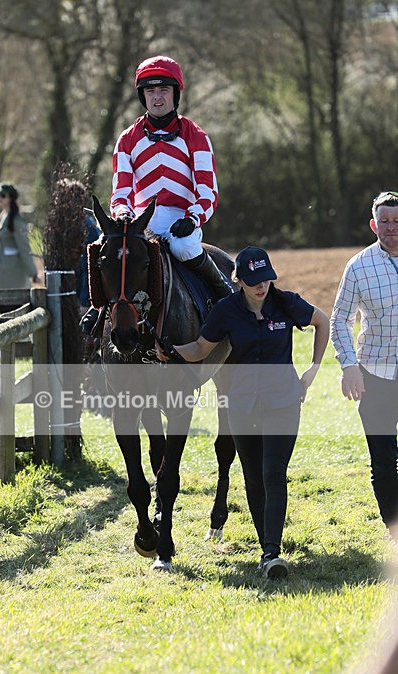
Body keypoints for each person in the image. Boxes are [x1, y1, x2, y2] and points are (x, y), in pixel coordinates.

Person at [165, 246, 330, 578]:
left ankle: (271, 553)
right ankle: (266, 549)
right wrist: (167, 350)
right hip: (240, 404)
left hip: (282, 401)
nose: (261, 286)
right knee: (253, 478)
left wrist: (312, 369)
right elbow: (200, 348)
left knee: (273, 474)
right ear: (238, 280)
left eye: (266, 278)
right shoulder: (226, 311)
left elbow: (321, 320)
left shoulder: (286, 303)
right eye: (254, 280)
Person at [81, 55, 231, 334]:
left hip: (180, 218)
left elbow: (208, 191)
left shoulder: (195, 135)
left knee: (184, 247)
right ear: (142, 96)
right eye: (150, 91)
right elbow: (120, 192)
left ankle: (224, 295)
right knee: (108, 247)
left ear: (176, 93)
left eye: (163, 90)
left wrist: (194, 218)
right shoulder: (127, 139)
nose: (157, 97)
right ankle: (98, 308)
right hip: (140, 221)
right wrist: (122, 215)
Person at [330, 190, 398, 541]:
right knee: (384, 458)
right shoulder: (358, 267)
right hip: (375, 374)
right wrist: (349, 366)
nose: (391, 227)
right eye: (384, 221)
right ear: (374, 224)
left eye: (396, 221)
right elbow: (339, 320)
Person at [0, 182, 39, 312]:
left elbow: (24, 248)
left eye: (3, 195)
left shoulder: (17, 219)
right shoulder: (4, 215)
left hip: (15, 279)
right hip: (4, 277)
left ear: (11, 198)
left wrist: (33, 273)